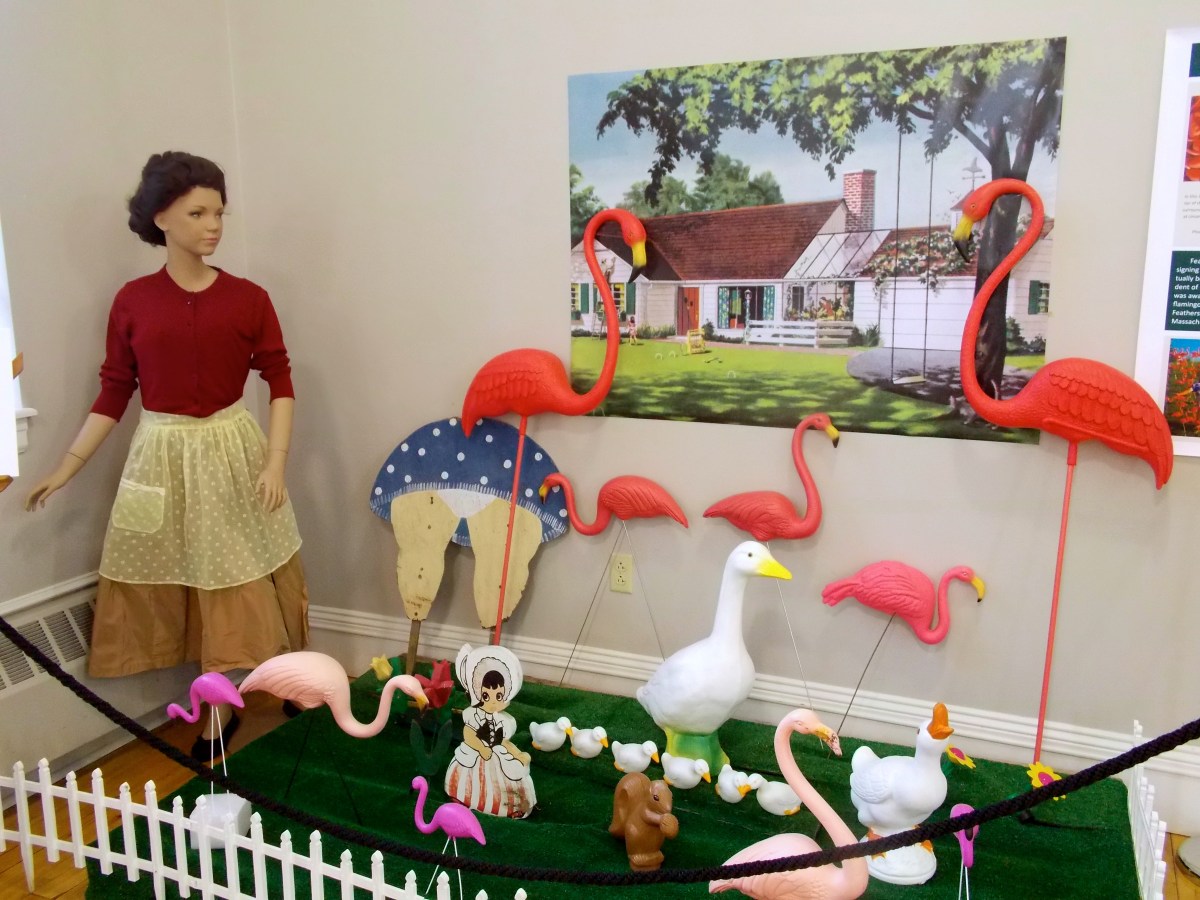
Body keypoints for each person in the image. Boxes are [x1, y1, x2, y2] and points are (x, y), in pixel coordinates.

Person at [25, 151, 308, 759]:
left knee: (238, 576)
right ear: (161, 218)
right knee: (183, 578)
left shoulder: (249, 298)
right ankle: (221, 694)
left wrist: (276, 460)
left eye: (219, 213)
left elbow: (279, 380)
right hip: (160, 455)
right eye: (198, 213)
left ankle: (266, 683)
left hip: (232, 451)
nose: (214, 226)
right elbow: (114, 389)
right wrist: (67, 467)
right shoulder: (133, 301)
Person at [444, 643, 536, 818]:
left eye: (498, 696)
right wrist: (480, 748)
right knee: (468, 772)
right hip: (478, 751)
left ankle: (510, 806)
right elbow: (469, 734)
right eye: (486, 696)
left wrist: (517, 754)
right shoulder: (474, 715)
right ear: (478, 693)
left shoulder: (503, 720)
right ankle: (463, 797)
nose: (493, 701)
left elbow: (503, 742)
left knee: (510, 771)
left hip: (496, 752)